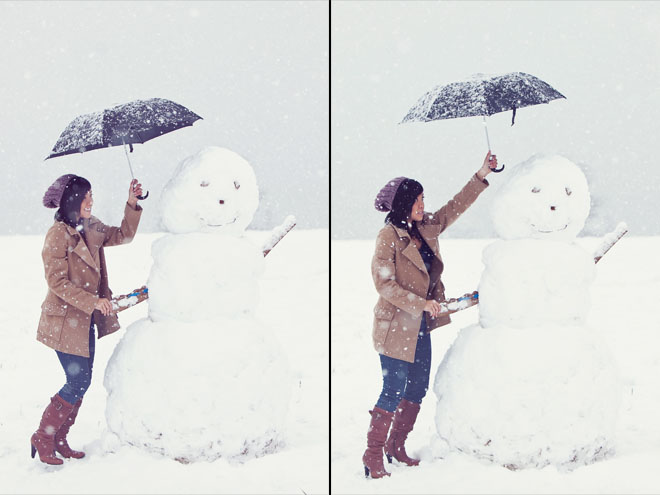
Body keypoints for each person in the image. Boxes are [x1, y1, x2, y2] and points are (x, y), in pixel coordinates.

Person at [363, 151, 499, 478]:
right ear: (404, 203)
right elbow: (384, 283)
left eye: (424, 199)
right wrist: (419, 302)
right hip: (396, 325)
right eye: (418, 200)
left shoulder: (427, 227)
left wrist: (481, 174)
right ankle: (372, 454)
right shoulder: (388, 238)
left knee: (417, 387)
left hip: (420, 326)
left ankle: (397, 446)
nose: (423, 204)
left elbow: (456, 205)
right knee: (393, 388)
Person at [31, 174, 144, 465]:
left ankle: (58, 438)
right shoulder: (57, 234)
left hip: (85, 323)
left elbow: (124, 235)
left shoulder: (92, 227)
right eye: (85, 196)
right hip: (64, 321)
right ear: (72, 200)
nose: (91, 201)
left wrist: (132, 204)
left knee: (82, 381)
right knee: (78, 381)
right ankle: (44, 436)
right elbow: (56, 281)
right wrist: (93, 301)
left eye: (91, 194)